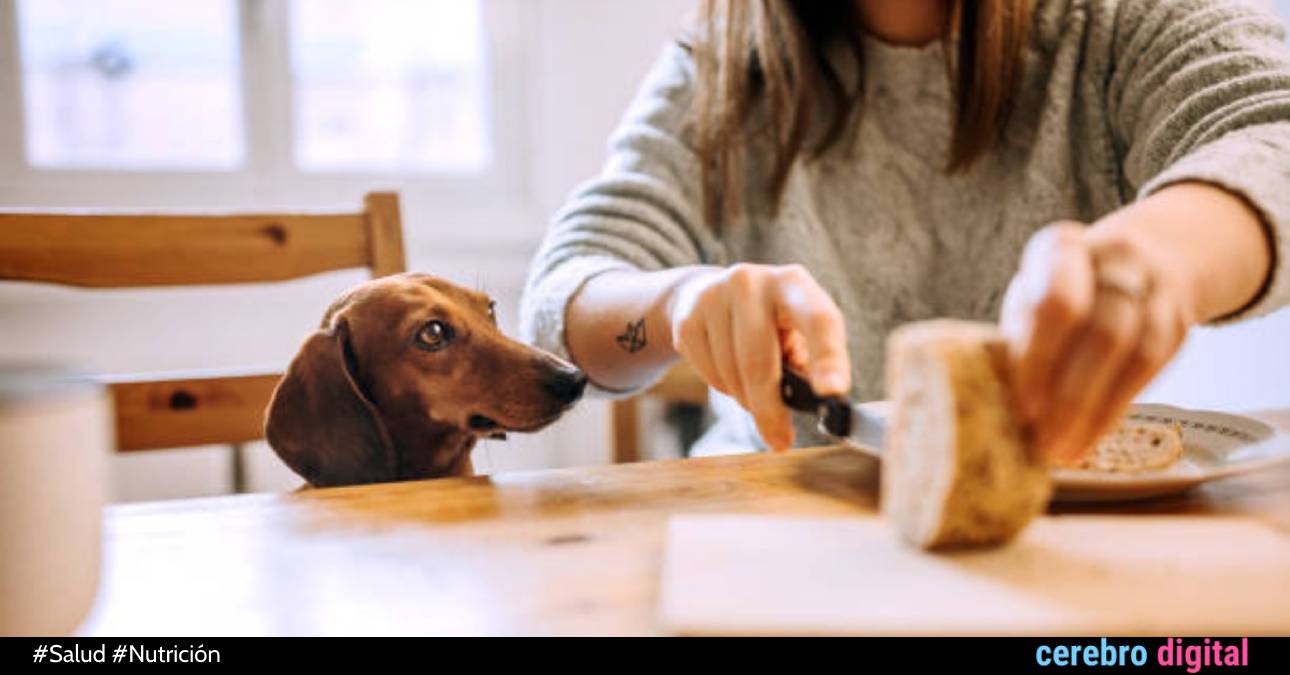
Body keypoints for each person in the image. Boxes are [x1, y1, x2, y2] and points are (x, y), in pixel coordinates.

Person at [520, 0, 1289, 462]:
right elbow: (562, 301)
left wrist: (1162, 256)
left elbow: (1268, 127)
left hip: (1057, 515)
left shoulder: (1116, 23)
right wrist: (679, 304)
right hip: (782, 526)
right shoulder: (720, 65)